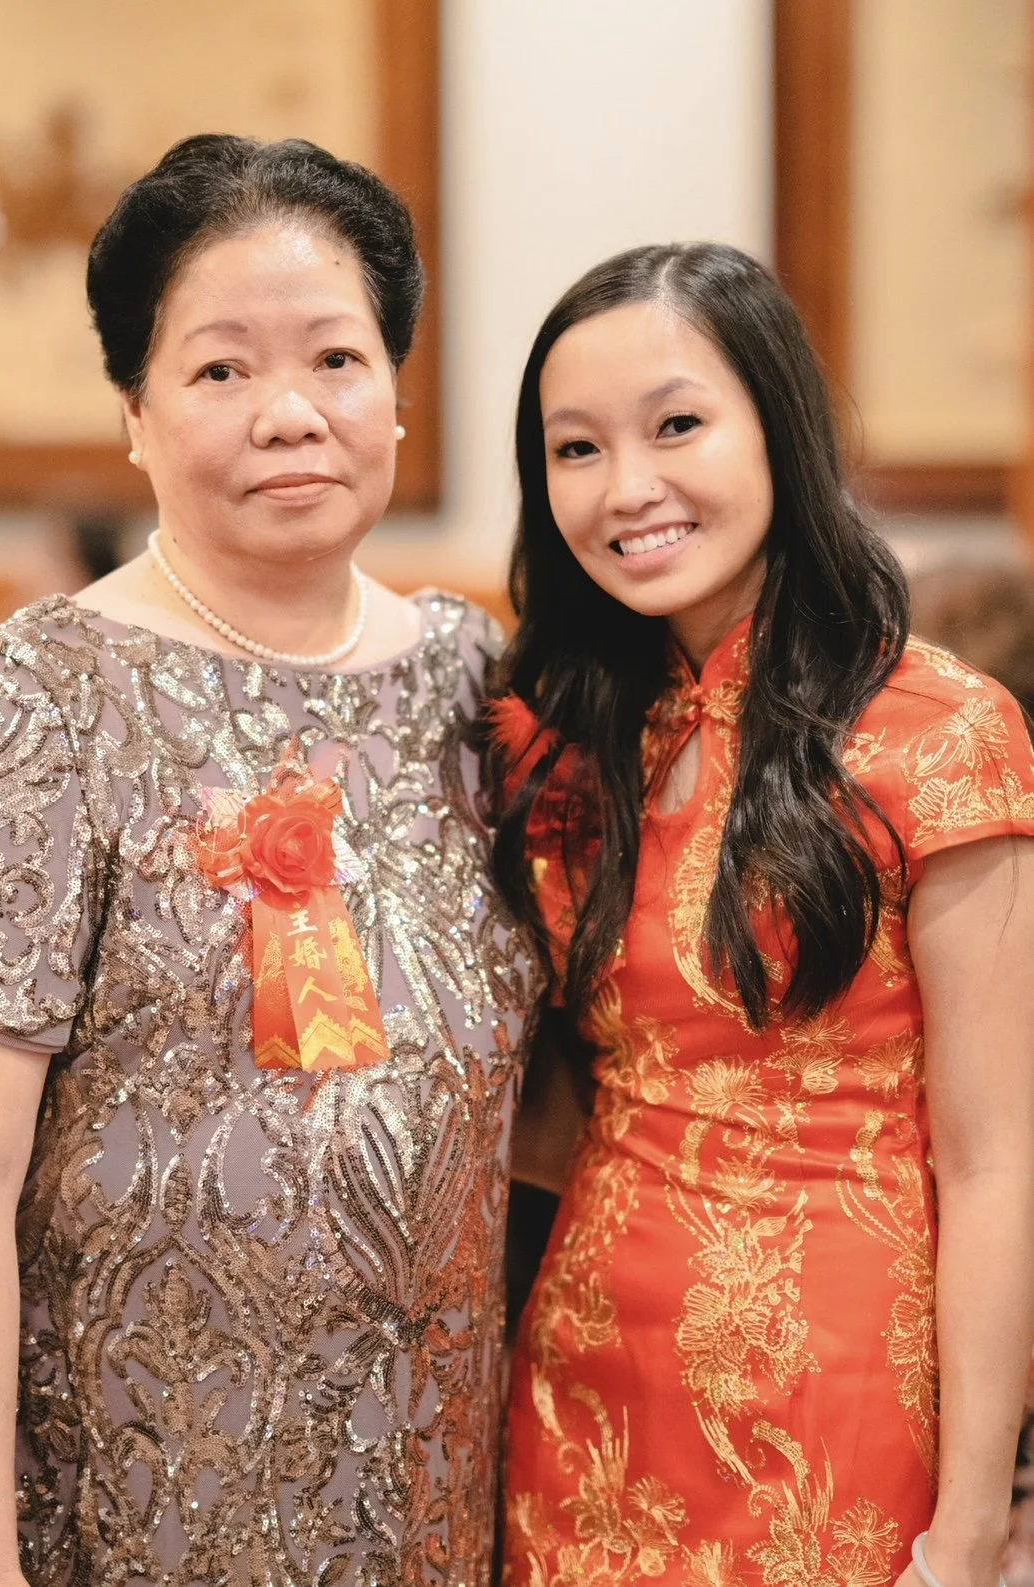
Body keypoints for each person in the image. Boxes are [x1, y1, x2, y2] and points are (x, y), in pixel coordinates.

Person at [0, 134, 532, 1587]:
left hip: (435, 1493)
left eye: (337, 359)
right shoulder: (38, 696)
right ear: (136, 412)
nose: (290, 413)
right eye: (221, 369)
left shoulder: (466, 676)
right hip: (144, 1501)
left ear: (397, 393)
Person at [485, 243, 1034, 1587]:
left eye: (676, 425)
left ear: (778, 427)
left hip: (836, 1404)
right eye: (575, 448)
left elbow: (995, 1160)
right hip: (583, 1386)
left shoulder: (941, 731)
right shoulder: (564, 738)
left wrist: (971, 1525)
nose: (627, 487)